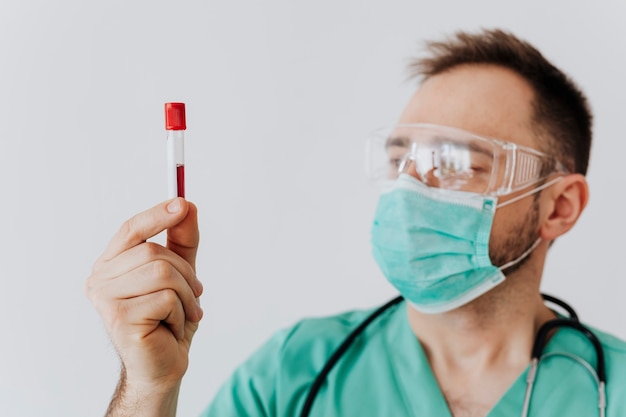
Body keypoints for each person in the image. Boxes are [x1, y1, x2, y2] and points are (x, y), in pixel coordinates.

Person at [85, 28, 626, 417]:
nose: (412, 188)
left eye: (455, 163)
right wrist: (147, 390)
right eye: (399, 160)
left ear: (559, 207)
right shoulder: (293, 373)